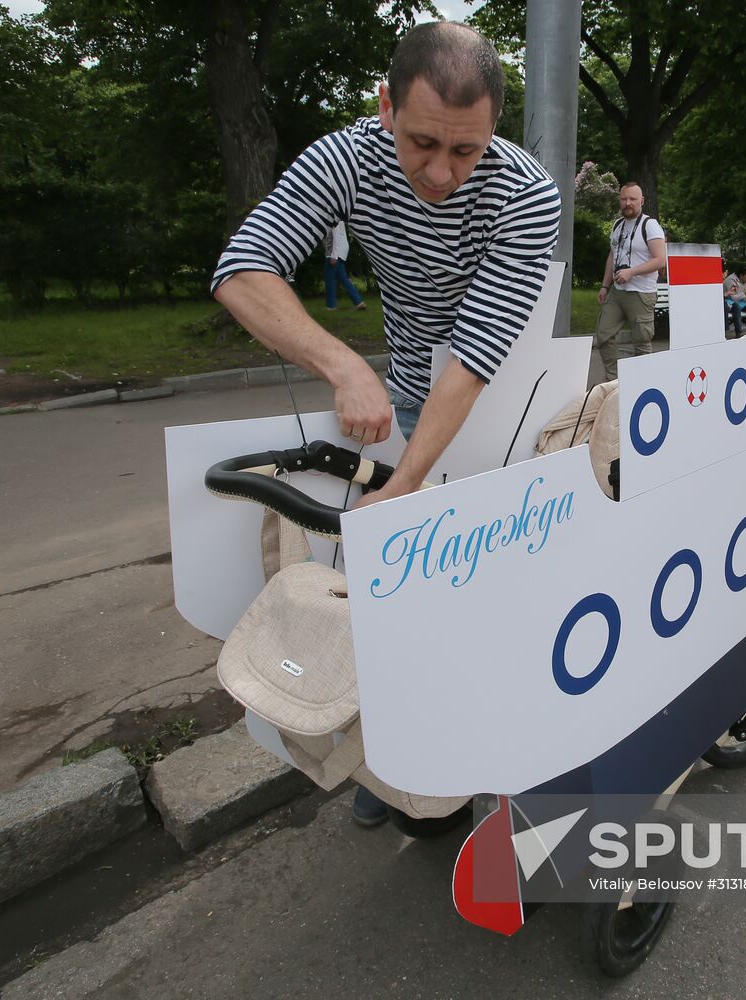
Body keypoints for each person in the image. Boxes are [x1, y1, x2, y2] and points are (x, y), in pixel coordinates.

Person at [212, 22, 561, 828]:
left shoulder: (526, 194)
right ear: (384, 107)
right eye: (421, 142)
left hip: (517, 405)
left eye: (465, 151)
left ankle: (508, 759)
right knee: (405, 592)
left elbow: (475, 356)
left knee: (502, 593)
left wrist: (405, 484)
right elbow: (242, 270)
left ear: (494, 132)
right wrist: (344, 364)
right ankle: (389, 762)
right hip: (410, 394)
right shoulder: (345, 157)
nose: (439, 172)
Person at [595, 181, 666, 381]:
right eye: (624, 198)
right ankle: (615, 380)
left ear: (641, 201)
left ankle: (642, 383)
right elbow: (612, 256)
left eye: (633, 199)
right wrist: (604, 285)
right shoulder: (618, 225)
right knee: (604, 335)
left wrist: (632, 272)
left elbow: (660, 260)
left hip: (641, 293)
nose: (628, 203)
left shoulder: (649, 225)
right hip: (617, 292)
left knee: (641, 342)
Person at [322, 222, 366, 311]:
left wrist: (334, 255)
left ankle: (331, 306)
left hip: (334, 254)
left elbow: (337, 236)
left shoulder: (334, 217)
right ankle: (359, 302)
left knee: (329, 278)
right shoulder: (334, 217)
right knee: (343, 279)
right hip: (338, 252)